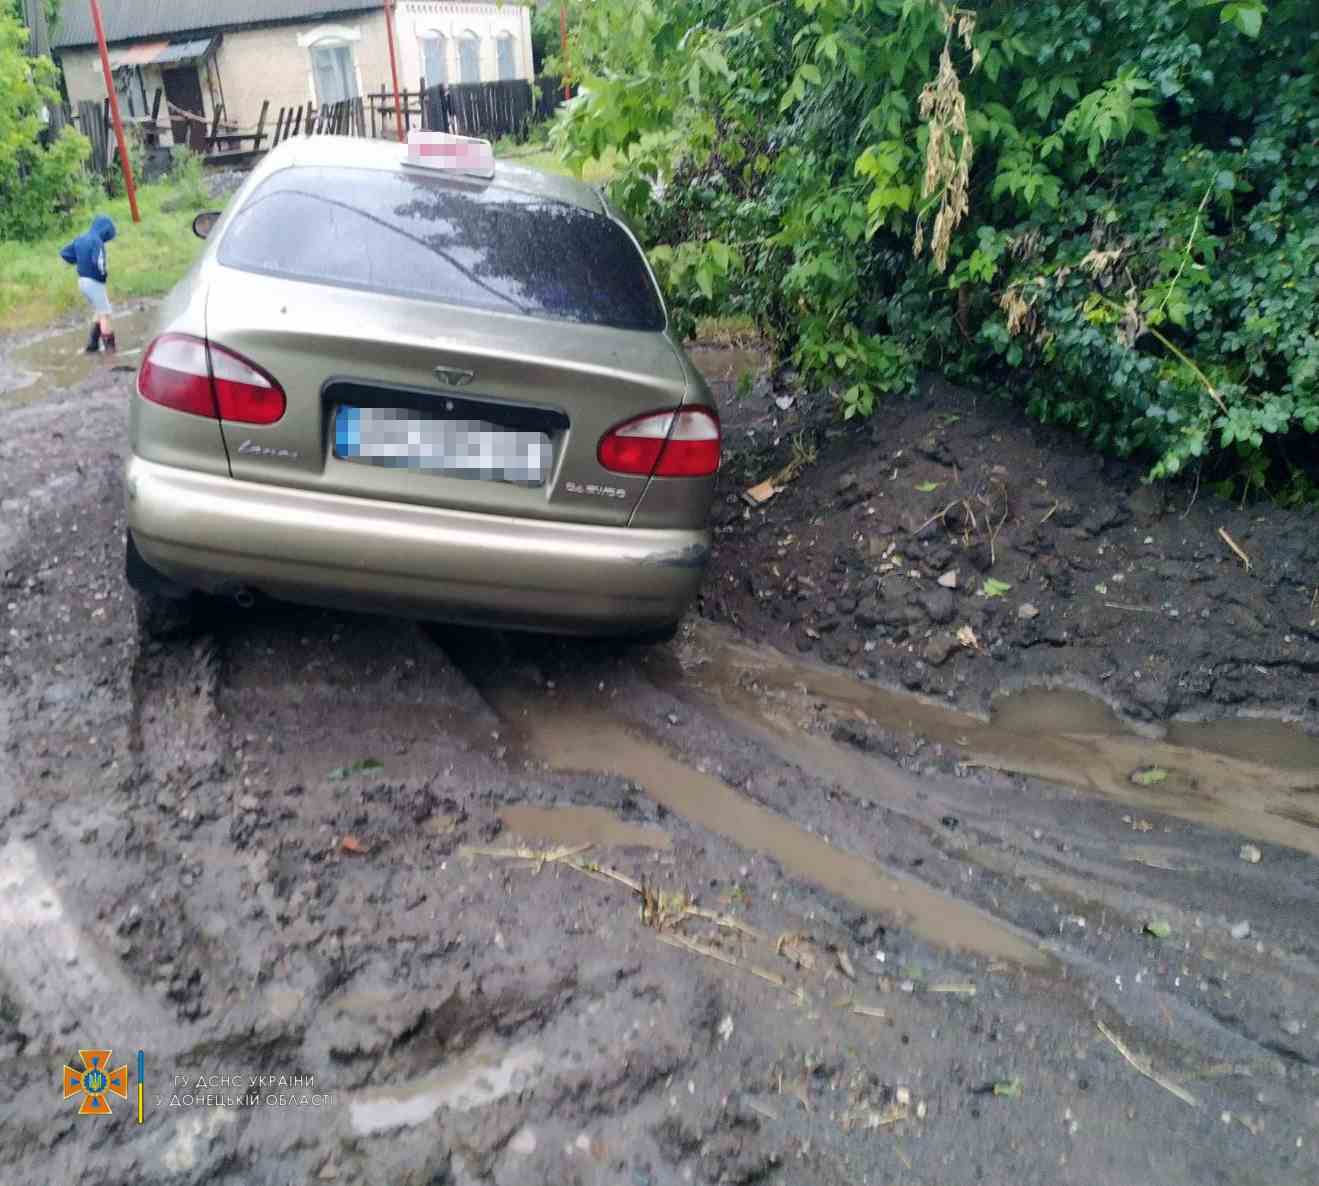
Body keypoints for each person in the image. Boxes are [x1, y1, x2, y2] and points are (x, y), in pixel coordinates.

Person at [60, 214, 118, 354]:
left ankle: (93, 344)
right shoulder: (96, 241)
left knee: (99, 310)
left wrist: (79, 260)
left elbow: (65, 253)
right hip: (94, 281)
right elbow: (98, 261)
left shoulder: (80, 238)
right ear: (104, 230)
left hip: (82, 281)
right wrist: (103, 274)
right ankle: (110, 349)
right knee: (105, 314)